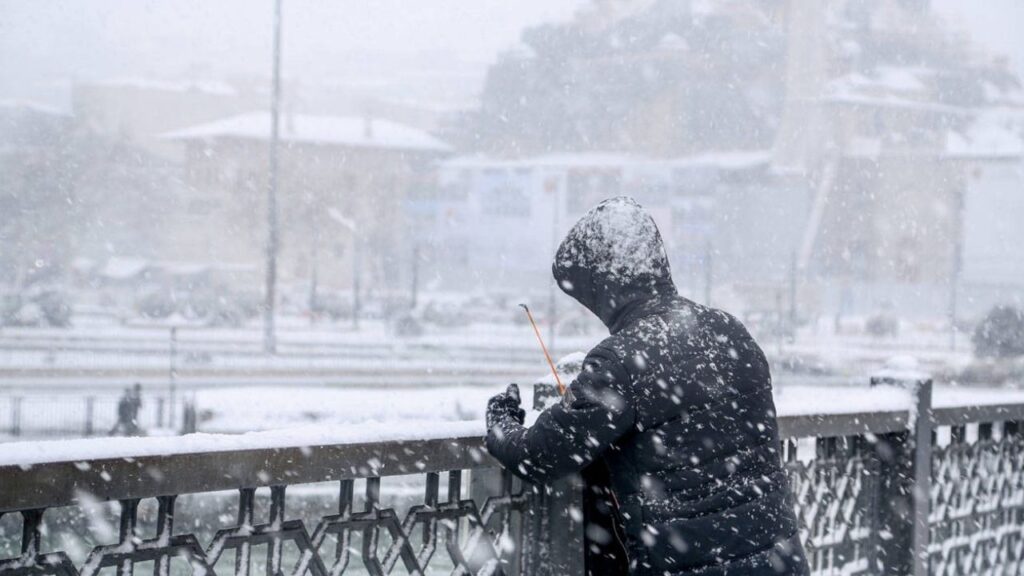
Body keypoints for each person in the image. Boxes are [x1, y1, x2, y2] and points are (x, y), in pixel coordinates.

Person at [486, 197, 809, 575]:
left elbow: (539, 455)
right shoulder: (731, 332)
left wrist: (500, 420)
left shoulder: (619, 363)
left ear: (603, 286)